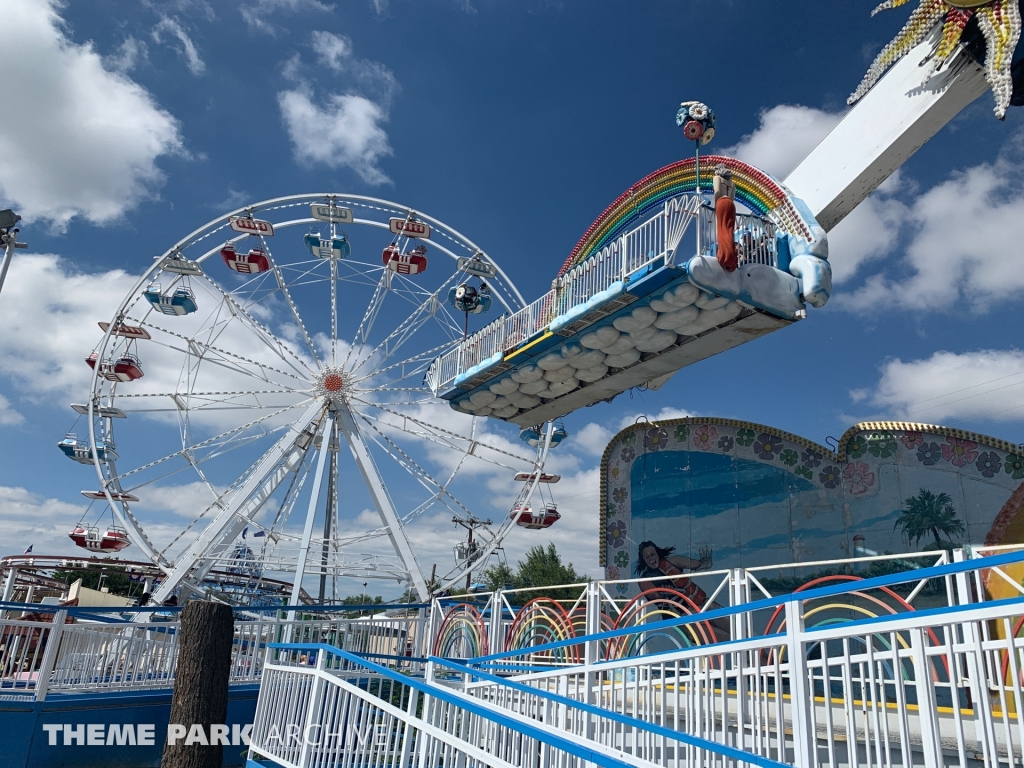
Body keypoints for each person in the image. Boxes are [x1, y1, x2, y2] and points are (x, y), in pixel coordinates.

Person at [634, 541, 729, 640]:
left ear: (657, 553)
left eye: (652, 554)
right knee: (722, 637)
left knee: (730, 625)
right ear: (643, 560)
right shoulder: (644, 580)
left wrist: (703, 563)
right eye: (647, 557)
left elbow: (695, 564)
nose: (651, 559)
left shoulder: (673, 561)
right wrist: (664, 593)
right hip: (681, 617)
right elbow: (654, 595)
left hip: (699, 603)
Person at [713, 166, 738, 272]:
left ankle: (724, 256)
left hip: (721, 202)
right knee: (729, 230)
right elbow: (732, 197)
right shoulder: (732, 183)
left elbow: (717, 191)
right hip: (731, 204)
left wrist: (715, 204)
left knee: (721, 229)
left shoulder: (717, 178)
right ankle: (732, 258)